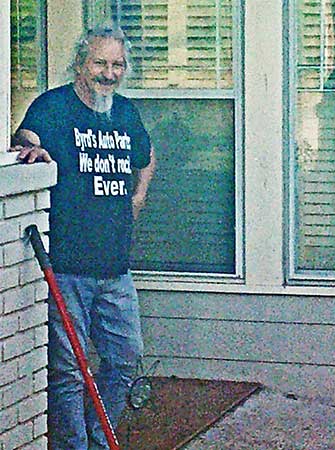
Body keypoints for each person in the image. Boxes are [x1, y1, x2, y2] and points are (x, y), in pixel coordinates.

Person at [11, 23, 156, 449]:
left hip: (115, 268)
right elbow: (26, 139)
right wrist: (29, 151)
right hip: (68, 266)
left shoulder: (126, 113)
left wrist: (139, 195)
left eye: (117, 65)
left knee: (125, 360)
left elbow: (145, 159)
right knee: (69, 370)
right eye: (100, 63)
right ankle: (73, 445)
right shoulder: (52, 107)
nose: (109, 73)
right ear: (80, 64)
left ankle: (98, 433)